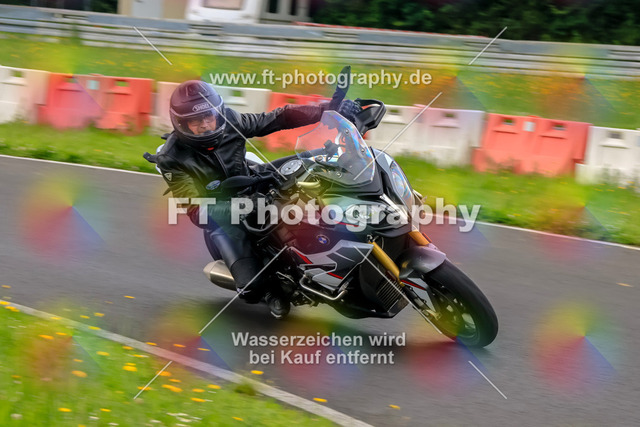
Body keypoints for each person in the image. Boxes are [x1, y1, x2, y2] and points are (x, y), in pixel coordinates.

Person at [149, 79, 358, 318]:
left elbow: (278, 118)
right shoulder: (172, 158)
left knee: (318, 161)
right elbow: (197, 212)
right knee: (251, 287)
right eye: (196, 121)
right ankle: (271, 292)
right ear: (181, 123)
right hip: (224, 217)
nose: (206, 125)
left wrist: (327, 109)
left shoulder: (230, 121)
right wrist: (244, 208)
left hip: (254, 181)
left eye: (209, 116)